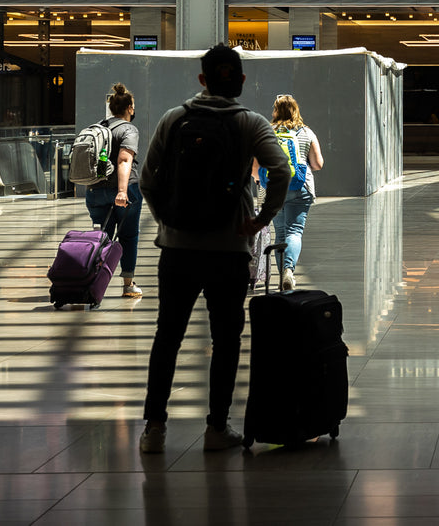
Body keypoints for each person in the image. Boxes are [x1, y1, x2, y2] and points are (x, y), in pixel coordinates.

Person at [136, 44, 292, 455]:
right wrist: (259, 219)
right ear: (241, 80)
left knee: (167, 336)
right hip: (229, 250)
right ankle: (216, 428)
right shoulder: (250, 123)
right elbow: (282, 170)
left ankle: (154, 428)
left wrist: (167, 219)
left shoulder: (174, 119)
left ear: (202, 80)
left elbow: (147, 181)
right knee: (226, 340)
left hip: (177, 250)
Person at [83, 83, 145, 298]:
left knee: (101, 237)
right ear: (129, 108)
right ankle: (128, 285)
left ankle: (92, 280)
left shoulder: (98, 127)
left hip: (95, 191)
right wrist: (121, 190)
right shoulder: (128, 129)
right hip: (123, 191)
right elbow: (124, 159)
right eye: (133, 106)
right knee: (128, 236)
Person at [262, 94, 324, 291]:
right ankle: (289, 271)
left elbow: (257, 164)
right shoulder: (307, 132)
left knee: (280, 233)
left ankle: (283, 277)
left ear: (275, 111)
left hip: (273, 189)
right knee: (294, 231)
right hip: (300, 187)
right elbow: (318, 164)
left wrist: (259, 180)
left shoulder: (268, 132)